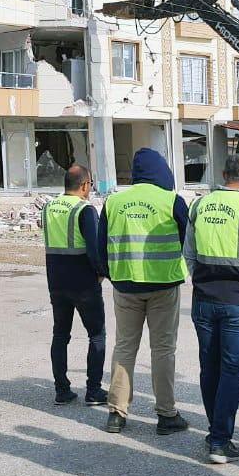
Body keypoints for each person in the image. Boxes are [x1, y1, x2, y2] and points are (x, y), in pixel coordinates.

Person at [98, 148, 190, 436]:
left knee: (124, 346)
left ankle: (117, 413)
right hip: (164, 286)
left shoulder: (113, 202)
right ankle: (166, 414)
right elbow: (189, 242)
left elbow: (100, 246)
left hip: (125, 285)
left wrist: (111, 274)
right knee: (162, 349)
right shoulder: (172, 201)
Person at [183, 154, 239, 464]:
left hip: (204, 298)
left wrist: (203, 278)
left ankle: (214, 430)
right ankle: (220, 439)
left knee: (210, 366)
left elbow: (188, 253)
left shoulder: (200, 205)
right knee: (232, 370)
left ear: (222, 173)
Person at [41, 164, 108, 406]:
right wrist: (102, 273)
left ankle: (62, 390)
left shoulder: (48, 207)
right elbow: (94, 249)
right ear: (85, 185)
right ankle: (94, 391)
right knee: (97, 335)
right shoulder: (85, 210)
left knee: (60, 335)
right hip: (83, 283)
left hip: (56, 281)